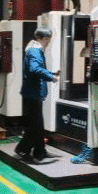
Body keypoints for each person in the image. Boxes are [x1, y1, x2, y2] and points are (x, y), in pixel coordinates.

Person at [15, 28, 58, 163]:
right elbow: (35, 69)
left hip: (33, 92)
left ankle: (40, 151)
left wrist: (50, 73)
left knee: (38, 124)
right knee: (34, 125)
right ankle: (22, 149)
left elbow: (35, 69)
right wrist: (51, 77)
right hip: (33, 93)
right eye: (49, 40)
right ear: (45, 38)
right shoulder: (35, 50)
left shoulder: (33, 48)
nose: (49, 43)